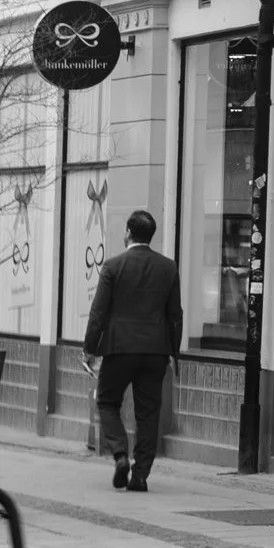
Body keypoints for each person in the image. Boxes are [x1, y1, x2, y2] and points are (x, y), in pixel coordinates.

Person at [84, 210, 182, 493]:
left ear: (128, 231)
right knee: (149, 413)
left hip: (120, 348)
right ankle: (140, 476)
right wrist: (174, 352)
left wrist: (90, 349)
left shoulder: (114, 266)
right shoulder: (168, 267)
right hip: (155, 351)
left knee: (107, 401)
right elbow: (175, 314)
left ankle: (120, 455)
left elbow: (98, 312)